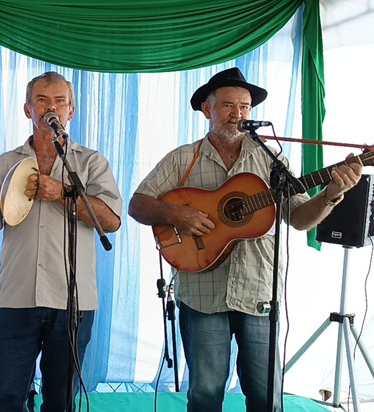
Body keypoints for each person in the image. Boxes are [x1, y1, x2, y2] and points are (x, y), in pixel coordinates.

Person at [128, 67, 362, 412]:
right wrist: (179, 215)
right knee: (205, 393)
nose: (237, 114)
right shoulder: (183, 158)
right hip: (202, 293)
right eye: (228, 106)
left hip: (258, 292)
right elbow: (138, 203)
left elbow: (298, 219)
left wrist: (330, 194)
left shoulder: (273, 160)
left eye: (245, 107)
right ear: (208, 110)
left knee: (267, 395)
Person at [0, 71, 122, 412]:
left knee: (61, 401)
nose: (52, 108)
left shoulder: (91, 162)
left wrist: (64, 193)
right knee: (6, 398)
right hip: (17, 298)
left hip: (73, 302)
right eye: (42, 100)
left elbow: (111, 221)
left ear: (71, 111)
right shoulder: (6, 163)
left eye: (60, 101)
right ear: (28, 110)